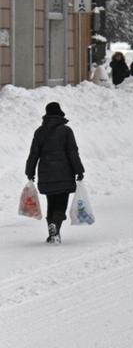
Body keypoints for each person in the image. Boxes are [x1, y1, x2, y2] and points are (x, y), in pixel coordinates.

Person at [25, 102, 85, 244]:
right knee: (61, 204)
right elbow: (73, 153)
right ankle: (55, 228)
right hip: (64, 174)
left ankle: (52, 234)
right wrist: (79, 170)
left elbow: (34, 154)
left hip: (46, 174)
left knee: (51, 203)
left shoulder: (39, 132)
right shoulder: (66, 131)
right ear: (59, 113)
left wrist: (30, 171)